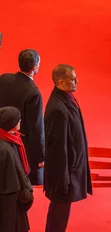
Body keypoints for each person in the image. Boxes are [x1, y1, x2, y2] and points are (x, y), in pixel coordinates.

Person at [44, 64, 92, 232]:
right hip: (63, 176)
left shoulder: (66, 97)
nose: (77, 81)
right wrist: (63, 180)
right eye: (72, 79)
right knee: (59, 215)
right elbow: (58, 150)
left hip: (68, 172)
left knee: (60, 213)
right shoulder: (58, 109)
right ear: (61, 82)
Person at [0, 49, 44, 186]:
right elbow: (36, 128)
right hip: (20, 144)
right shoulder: (33, 93)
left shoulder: (3, 78)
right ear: (35, 67)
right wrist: (40, 156)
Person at [0, 107, 34, 232]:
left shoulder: (8, 138)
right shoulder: (5, 149)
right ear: (11, 124)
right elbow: (16, 175)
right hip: (10, 200)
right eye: (17, 120)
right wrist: (27, 193)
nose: (20, 121)